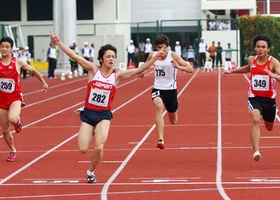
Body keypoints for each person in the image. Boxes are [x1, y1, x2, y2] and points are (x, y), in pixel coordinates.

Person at [50, 31, 165, 183]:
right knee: (83, 149)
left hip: (104, 115)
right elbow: (75, 56)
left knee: (99, 147)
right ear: (101, 59)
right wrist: (58, 43)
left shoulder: (117, 76)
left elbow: (139, 70)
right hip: (88, 113)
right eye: (108, 56)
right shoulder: (93, 69)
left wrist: (156, 57)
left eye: (113, 57)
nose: (111, 59)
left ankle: (91, 172)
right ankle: (89, 131)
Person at [224, 34, 280, 161]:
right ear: (255, 48)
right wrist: (231, 71)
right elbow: (248, 68)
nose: (260, 49)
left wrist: (273, 75)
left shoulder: (273, 62)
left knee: (269, 127)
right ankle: (256, 151)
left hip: (269, 99)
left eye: (263, 47)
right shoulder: (251, 60)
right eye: (258, 47)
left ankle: (271, 113)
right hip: (254, 97)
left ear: (268, 49)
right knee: (255, 119)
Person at [0, 37, 48, 162]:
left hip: (15, 97)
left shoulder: (17, 62)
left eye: (7, 46)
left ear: (11, 49)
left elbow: (32, 70)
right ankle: (12, 150)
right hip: (1, 100)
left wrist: (43, 82)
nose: (4, 49)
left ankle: (17, 121)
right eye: (2, 46)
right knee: (5, 130)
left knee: (12, 118)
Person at [145, 35, 193, 149]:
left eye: (164, 47)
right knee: (158, 106)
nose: (162, 50)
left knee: (173, 120)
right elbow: (146, 65)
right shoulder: (152, 55)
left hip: (171, 90)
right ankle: (160, 139)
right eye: (160, 47)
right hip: (157, 88)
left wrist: (178, 66)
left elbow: (190, 69)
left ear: (167, 47)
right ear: (156, 47)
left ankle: (176, 105)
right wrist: (142, 72)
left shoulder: (173, 55)